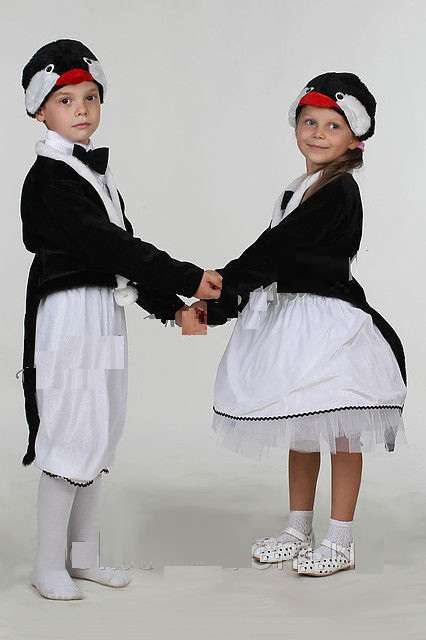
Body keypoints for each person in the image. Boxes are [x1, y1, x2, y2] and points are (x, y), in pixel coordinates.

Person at [19, 38, 222, 600]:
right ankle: (47, 564)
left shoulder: (93, 176)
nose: (81, 109)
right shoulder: (49, 180)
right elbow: (112, 247)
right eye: (66, 100)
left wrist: (172, 309)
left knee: (100, 428)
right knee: (71, 429)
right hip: (70, 317)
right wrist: (187, 275)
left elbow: (121, 259)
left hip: (105, 314)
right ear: (40, 111)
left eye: (90, 97)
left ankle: (83, 558)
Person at [183, 72, 407, 576]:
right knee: (302, 426)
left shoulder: (339, 190)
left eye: (333, 125)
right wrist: (220, 305)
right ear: (295, 126)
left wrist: (218, 288)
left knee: (342, 430)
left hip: (328, 322)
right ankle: (298, 528)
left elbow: (276, 252)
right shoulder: (299, 188)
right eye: (310, 122)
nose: (318, 133)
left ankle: (340, 539)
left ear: (354, 138)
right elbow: (272, 262)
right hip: (295, 317)